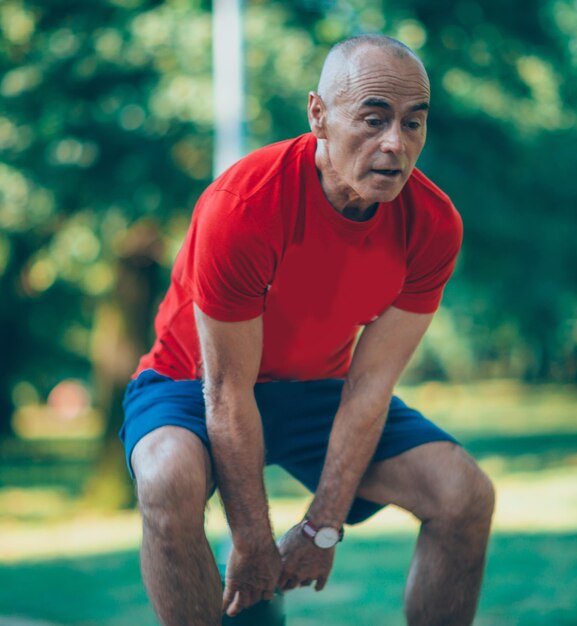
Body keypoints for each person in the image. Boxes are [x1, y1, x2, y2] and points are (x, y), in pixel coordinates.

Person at [119, 34, 495, 626]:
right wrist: (251, 541)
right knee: (167, 479)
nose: (394, 144)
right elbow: (226, 394)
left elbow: (370, 387)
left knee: (463, 495)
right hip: (192, 382)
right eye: (372, 120)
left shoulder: (433, 224)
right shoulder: (244, 207)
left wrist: (322, 528)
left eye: (413, 123)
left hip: (315, 386)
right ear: (318, 115)